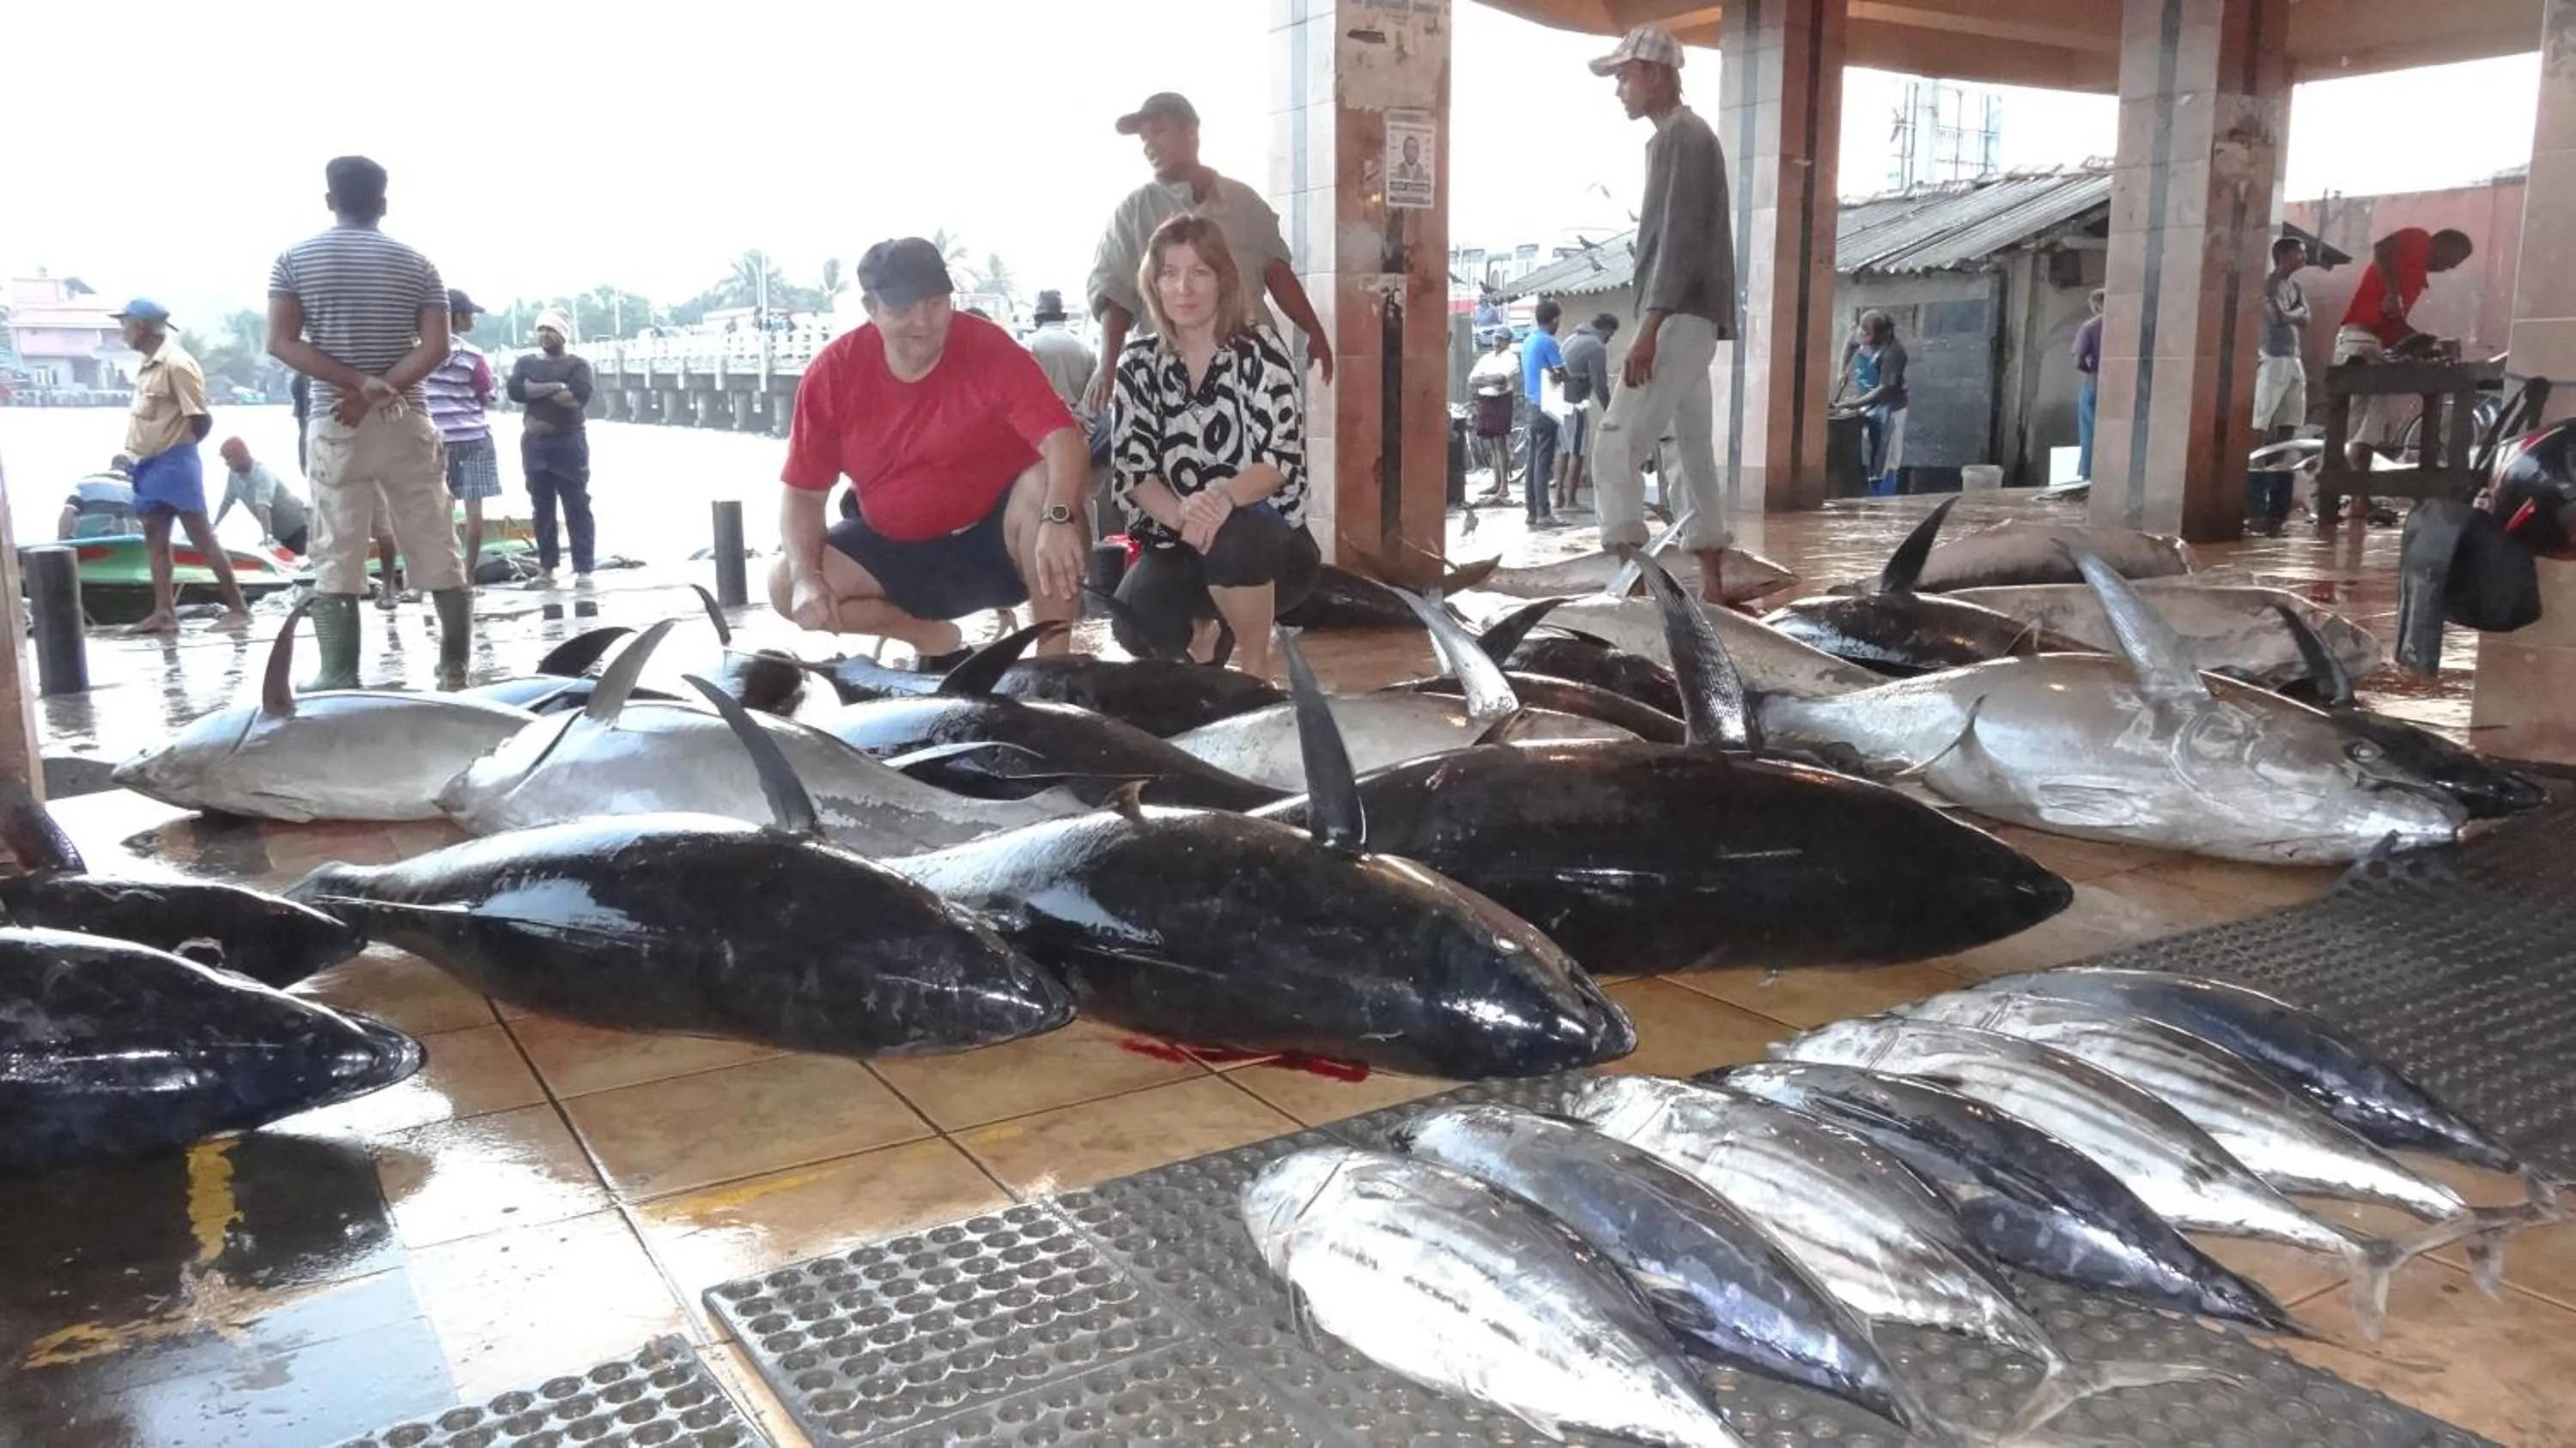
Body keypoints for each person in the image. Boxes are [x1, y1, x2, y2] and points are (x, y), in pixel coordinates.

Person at [773, 237, 1089, 666]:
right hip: (893, 551)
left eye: (936, 303)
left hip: (997, 545)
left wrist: (1058, 516)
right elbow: (803, 494)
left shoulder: (989, 347)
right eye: (903, 309)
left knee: (1046, 484)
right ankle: (928, 636)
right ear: (871, 308)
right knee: (784, 582)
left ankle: (1053, 662)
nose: (923, 321)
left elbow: (1062, 438)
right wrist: (807, 578)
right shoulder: (832, 373)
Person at [266, 155, 472, 690]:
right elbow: (436, 346)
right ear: (383, 203)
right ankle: (453, 667)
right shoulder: (419, 264)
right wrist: (382, 388)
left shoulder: (293, 260)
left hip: (336, 420)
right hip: (407, 419)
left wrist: (357, 386)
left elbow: (281, 342)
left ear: (330, 200)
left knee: (337, 544)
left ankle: (339, 673)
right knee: (434, 536)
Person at [1108, 216, 1318, 677]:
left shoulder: (1260, 349)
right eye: (1170, 273)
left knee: (1236, 540)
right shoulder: (1137, 364)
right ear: (1154, 284)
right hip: (1181, 538)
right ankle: (1207, 635)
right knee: (1135, 624)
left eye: (1199, 272)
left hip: (1268, 546)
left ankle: (1255, 671)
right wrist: (1183, 517)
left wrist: (1221, 500)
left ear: (1222, 280)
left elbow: (1279, 460)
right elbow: (1134, 471)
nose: (1183, 288)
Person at [1589, 25, 1738, 602]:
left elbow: (1678, 240)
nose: (1619, 90)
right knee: (1689, 449)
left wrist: (1648, 329)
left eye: (1624, 77)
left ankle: (1631, 589)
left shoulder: (1681, 137)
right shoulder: (1685, 137)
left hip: (1675, 319)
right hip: (1693, 320)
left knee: (1615, 443)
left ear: (1653, 73)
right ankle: (1713, 587)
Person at [1083, 92, 1334, 416]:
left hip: (1250, 371)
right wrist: (1107, 365)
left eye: (1158, 131)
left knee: (1268, 444)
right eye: (1143, 138)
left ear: (1191, 130)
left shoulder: (1244, 202)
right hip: (1173, 377)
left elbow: (1277, 272)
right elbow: (1115, 297)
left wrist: (1313, 328)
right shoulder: (1133, 212)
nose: (1148, 146)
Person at [114, 300, 250, 631]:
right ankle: (164, 612)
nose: (122, 332)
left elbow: (200, 419)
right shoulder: (149, 366)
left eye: (125, 324)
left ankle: (239, 609)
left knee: (200, 535)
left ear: (141, 326)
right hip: (147, 464)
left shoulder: (177, 364)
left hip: (175, 460)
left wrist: (177, 451)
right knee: (154, 536)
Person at [2334, 227, 2476, 478]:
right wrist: (2392, 292)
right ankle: (2337, 483)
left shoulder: (2416, 279)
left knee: (2368, 428)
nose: (2452, 267)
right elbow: (2381, 247)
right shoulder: (2418, 239)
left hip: (2377, 345)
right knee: (2351, 423)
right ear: (2442, 245)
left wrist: (2424, 344)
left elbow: (2394, 324)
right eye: (2454, 259)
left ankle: (2358, 490)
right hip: (2358, 338)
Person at [507, 309, 596, 588]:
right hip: (535, 447)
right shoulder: (526, 363)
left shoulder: (579, 365)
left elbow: (575, 398)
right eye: (542, 330)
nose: (545, 335)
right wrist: (556, 386)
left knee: (577, 504)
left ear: (563, 334)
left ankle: (584, 570)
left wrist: (535, 389)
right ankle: (547, 568)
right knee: (541, 506)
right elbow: (516, 391)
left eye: (552, 330)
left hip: (568, 443)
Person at [426, 288, 501, 579]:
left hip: (435, 440)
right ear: (456, 317)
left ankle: (440, 574)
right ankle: (468, 576)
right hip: (474, 438)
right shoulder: (473, 355)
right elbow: (487, 395)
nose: (474, 319)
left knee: (437, 511)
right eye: (470, 314)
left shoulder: (420, 352)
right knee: (474, 511)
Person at [2249, 236, 2312, 533]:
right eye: (2300, 253)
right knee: (2260, 423)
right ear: (2284, 256)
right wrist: (2295, 314)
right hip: (2273, 358)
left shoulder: (2295, 287)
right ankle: (2254, 493)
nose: (2304, 258)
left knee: (2290, 423)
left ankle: (2277, 503)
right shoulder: (2269, 284)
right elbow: (2276, 318)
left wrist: (2293, 314)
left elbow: (2306, 318)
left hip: (2294, 359)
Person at [1557, 313, 1616, 511]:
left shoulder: (1571, 339)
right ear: (1606, 330)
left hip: (1559, 401)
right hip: (1575, 403)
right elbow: (1600, 384)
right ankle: (1571, 501)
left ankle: (1559, 498)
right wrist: (1610, 410)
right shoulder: (1596, 346)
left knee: (1564, 450)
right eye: (1611, 335)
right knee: (1578, 451)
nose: (1609, 340)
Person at [1848, 312, 1910, 496]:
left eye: (1871, 337)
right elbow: (1849, 344)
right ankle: (1868, 491)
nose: (1866, 341)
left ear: (1883, 334)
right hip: (1868, 405)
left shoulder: (1894, 352)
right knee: (1870, 453)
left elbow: (1884, 388)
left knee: (1887, 458)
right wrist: (1842, 371)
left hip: (1890, 408)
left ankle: (1883, 499)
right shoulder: (1863, 337)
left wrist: (1853, 404)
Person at [215, 438, 311, 555]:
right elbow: (226, 502)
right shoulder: (233, 475)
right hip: (279, 534)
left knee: (307, 560)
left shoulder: (262, 474)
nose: (226, 464)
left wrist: (267, 538)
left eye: (228, 459)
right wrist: (214, 526)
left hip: (298, 525)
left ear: (239, 456)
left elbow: (263, 508)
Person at [1521, 300, 1568, 527]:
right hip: (1547, 404)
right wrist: (1567, 376)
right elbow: (1561, 372)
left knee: (1532, 459)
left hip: (1531, 403)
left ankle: (1531, 511)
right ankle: (1544, 513)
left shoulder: (1528, 341)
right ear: (1555, 320)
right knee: (1544, 461)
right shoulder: (1549, 342)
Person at [1467, 329, 1520, 502]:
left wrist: (1484, 380)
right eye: (1495, 339)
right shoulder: (1486, 358)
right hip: (1486, 399)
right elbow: (1472, 379)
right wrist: (1489, 381)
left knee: (1500, 443)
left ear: (1508, 341)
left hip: (1501, 400)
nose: (1497, 342)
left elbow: (1501, 378)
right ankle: (1496, 482)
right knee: (1490, 443)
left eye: (1501, 339)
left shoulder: (1511, 358)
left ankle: (1504, 485)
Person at [1025, 289, 1096, 418]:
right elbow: (1093, 393)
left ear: (1037, 316)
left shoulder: (1029, 344)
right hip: (1079, 421)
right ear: (1062, 315)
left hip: (1043, 419)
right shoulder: (1085, 346)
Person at [59, 456, 139, 539]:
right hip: (127, 539)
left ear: (112, 466)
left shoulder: (85, 481)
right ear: (128, 469)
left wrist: (62, 539)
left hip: (88, 538)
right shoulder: (136, 486)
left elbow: (69, 511)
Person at [2072, 289, 2105, 482]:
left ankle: (2088, 474)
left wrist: (2090, 370)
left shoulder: (2090, 327)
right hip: (2122, 386)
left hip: (2095, 383)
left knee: (2089, 429)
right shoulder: (2127, 324)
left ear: (2097, 306)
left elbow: (2078, 360)